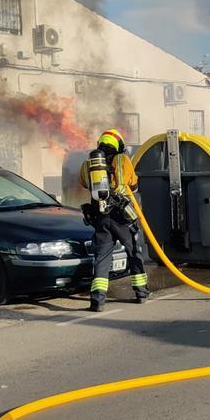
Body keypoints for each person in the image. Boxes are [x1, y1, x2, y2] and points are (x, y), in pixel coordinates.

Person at [78, 129, 149, 311]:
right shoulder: (122, 160)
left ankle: (97, 300)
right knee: (134, 252)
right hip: (121, 217)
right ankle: (141, 292)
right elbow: (132, 182)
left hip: (101, 217)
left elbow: (84, 182)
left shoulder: (89, 164)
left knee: (101, 259)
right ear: (119, 145)